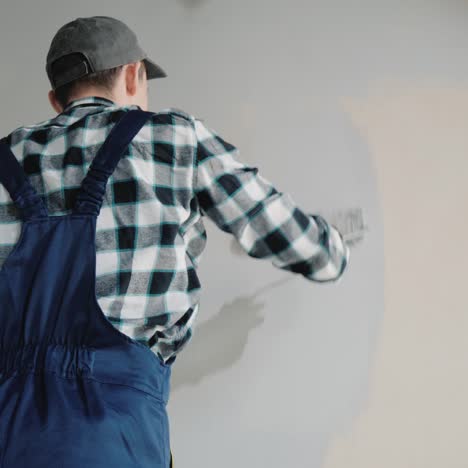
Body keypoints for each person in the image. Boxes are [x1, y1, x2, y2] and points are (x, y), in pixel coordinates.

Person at [0, 15, 363, 468]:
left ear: (56, 100)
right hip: (117, 435)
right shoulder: (173, 137)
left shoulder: (5, 159)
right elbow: (294, 239)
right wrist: (333, 247)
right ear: (134, 75)